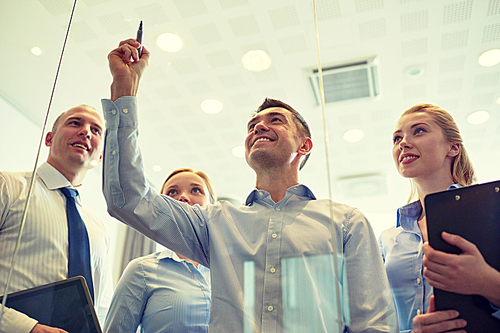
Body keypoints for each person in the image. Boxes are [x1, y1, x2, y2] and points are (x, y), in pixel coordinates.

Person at [101, 38, 397, 332]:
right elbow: (127, 199)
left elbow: (373, 324)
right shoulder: (214, 224)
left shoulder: (346, 223)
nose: (258, 127)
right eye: (252, 125)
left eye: (276, 120)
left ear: (304, 145)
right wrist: (124, 89)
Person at [379, 103, 500, 333]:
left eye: (419, 130)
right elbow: (378, 321)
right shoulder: (388, 239)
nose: (402, 143)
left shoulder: (492, 213)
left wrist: (488, 282)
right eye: (397, 138)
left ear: (453, 147)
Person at [0, 105, 113, 333]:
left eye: (96, 130)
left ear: (100, 156)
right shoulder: (8, 187)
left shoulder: (98, 228)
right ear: (49, 138)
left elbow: (101, 306)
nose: (86, 132)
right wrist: (26, 328)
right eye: (75, 123)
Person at [104, 168, 213, 333]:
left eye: (196, 190)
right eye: (172, 192)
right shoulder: (141, 270)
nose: (183, 196)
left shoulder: (231, 271)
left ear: (212, 206)